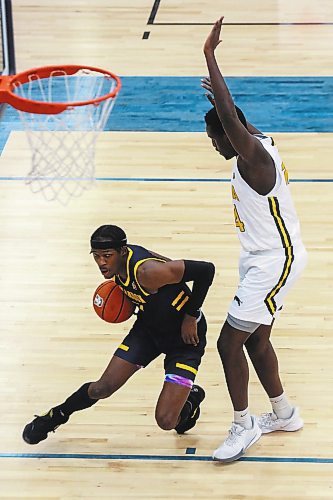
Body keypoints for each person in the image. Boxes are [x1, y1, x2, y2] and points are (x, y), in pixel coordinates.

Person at [202, 17, 307, 462]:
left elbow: (230, 118)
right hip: (267, 258)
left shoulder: (255, 157)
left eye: (214, 139)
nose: (213, 145)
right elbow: (235, 117)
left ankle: (242, 424)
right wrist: (227, 104)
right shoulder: (260, 139)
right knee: (257, 340)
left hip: (273, 261)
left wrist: (210, 57)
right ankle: (283, 413)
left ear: (231, 134)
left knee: (229, 342)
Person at [23, 225, 215, 444]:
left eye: (107, 256)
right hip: (148, 332)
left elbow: (206, 270)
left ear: (122, 252)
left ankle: (190, 400)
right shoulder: (119, 265)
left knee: (166, 421)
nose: (102, 262)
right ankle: (56, 416)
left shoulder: (147, 273)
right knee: (101, 388)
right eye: (96, 256)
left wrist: (191, 316)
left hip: (184, 338)